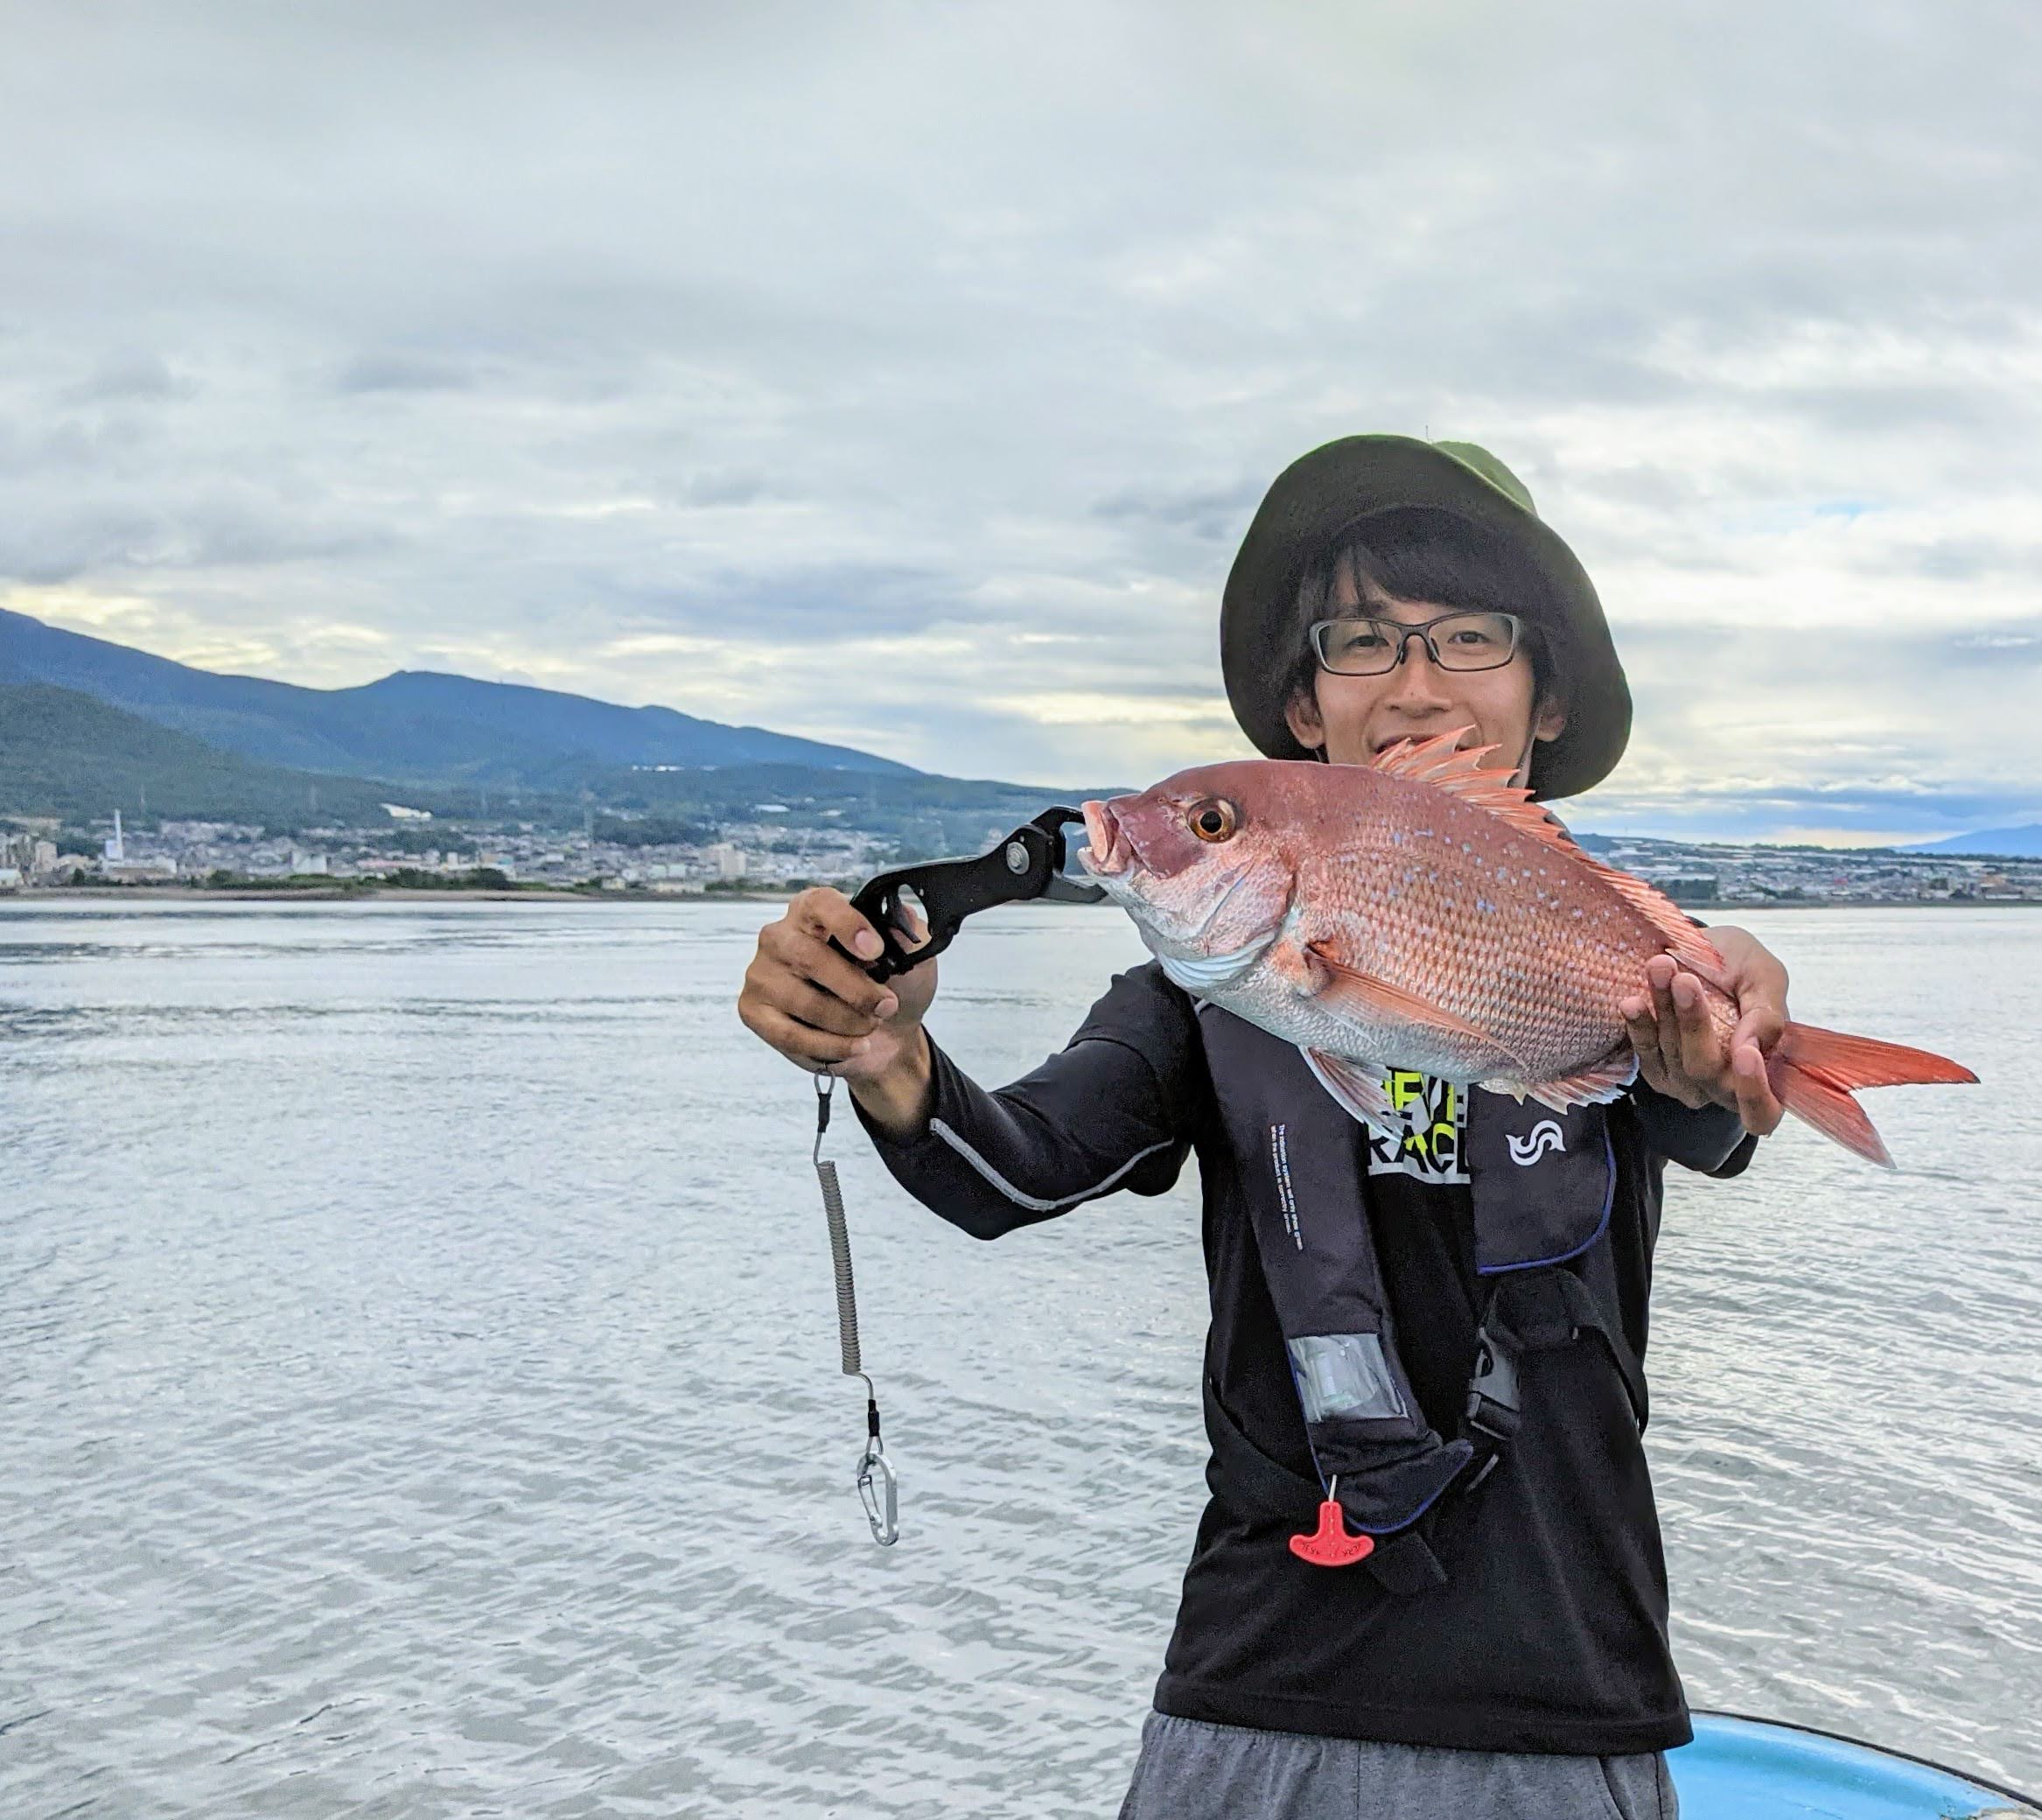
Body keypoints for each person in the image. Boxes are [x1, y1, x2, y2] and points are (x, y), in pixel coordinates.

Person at [737, 437, 1792, 1819]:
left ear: (1543, 701)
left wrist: (1735, 1035)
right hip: (1256, 1695)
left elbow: (1718, 1115)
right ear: (1304, 708)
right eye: (1361, 640)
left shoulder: (1611, 949)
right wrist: (886, 1050)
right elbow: (1014, 1169)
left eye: (1470, 637)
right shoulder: (1201, 993)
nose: (1414, 682)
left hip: (1565, 1699)